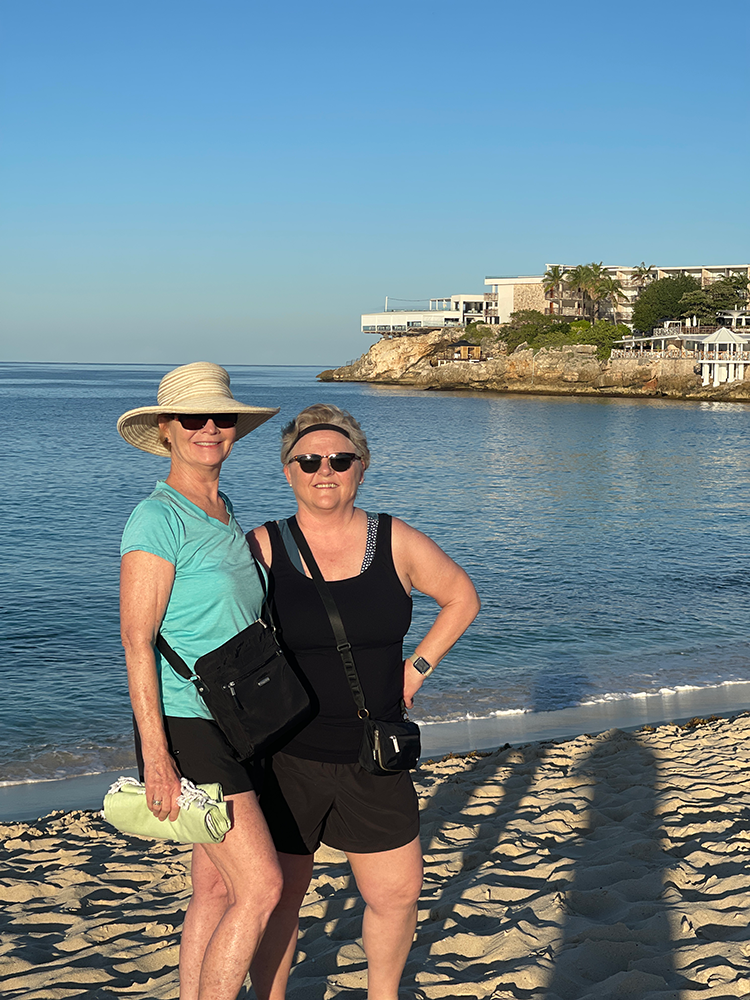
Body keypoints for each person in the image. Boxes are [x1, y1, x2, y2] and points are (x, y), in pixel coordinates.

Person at [248, 404, 480, 1000]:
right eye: (309, 460)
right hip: (287, 755)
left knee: (396, 895)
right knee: (278, 900)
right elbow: (215, 631)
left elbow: (460, 597)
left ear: (361, 467)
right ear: (288, 471)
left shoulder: (394, 539)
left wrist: (416, 670)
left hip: (375, 753)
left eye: (340, 459)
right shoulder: (263, 547)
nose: (324, 471)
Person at [117, 362, 283, 1000]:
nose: (209, 429)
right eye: (193, 418)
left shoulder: (223, 507)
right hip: (190, 725)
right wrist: (156, 757)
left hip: (238, 717)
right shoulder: (156, 520)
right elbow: (137, 641)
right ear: (166, 430)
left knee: (214, 885)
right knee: (260, 887)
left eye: (222, 419)